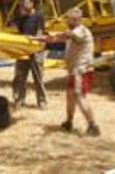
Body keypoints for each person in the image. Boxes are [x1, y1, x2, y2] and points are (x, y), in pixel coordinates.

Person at [42, 8, 100, 136]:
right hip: (74, 70)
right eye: (69, 18)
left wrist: (59, 35)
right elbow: (59, 38)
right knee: (70, 96)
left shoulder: (81, 31)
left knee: (80, 96)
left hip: (81, 70)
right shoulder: (72, 31)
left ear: (79, 20)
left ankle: (93, 125)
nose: (71, 21)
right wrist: (42, 38)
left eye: (74, 19)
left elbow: (72, 36)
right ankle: (69, 122)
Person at [12, 0, 47, 109]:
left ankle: (42, 101)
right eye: (23, 3)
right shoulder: (21, 19)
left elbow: (40, 32)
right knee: (20, 76)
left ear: (32, 3)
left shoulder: (39, 16)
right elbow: (20, 33)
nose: (24, 5)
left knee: (38, 77)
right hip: (24, 50)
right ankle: (19, 100)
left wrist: (34, 39)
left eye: (26, 3)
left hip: (36, 50)